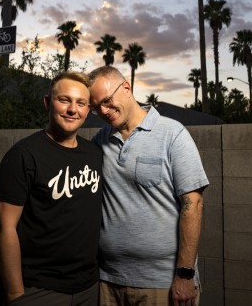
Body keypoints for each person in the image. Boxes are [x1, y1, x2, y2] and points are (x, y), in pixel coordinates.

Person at [88, 66, 209, 306]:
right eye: (96, 107)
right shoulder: (100, 140)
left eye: (107, 101)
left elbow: (193, 205)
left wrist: (185, 275)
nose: (103, 110)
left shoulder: (172, 134)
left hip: (162, 283)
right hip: (108, 281)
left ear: (126, 88)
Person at [0, 71, 103, 305]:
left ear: (87, 110)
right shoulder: (24, 155)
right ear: (47, 103)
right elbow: (4, 227)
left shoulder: (94, 154)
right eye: (64, 100)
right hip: (40, 289)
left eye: (81, 103)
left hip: (89, 287)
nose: (73, 109)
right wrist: (16, 295)